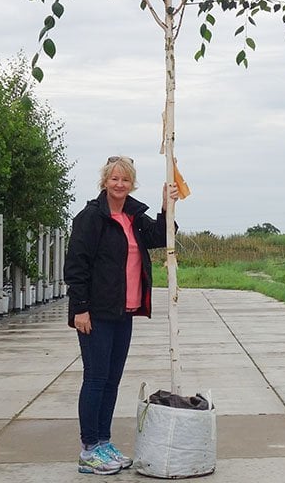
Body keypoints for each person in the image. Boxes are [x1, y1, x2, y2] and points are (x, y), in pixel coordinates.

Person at [64, 155, 178, 475]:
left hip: (123, 312)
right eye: (114, 179)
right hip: (95, 313)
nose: (119, 184)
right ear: (105, 181)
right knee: (96, 379)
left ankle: (103, 441)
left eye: (125, 180)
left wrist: (166, 207)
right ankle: (89, 449)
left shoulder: (133, 216)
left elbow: (159, 237)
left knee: (112, 381)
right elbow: (76, 267)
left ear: (132, 184)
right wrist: (79, 310)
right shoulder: (90, 218)